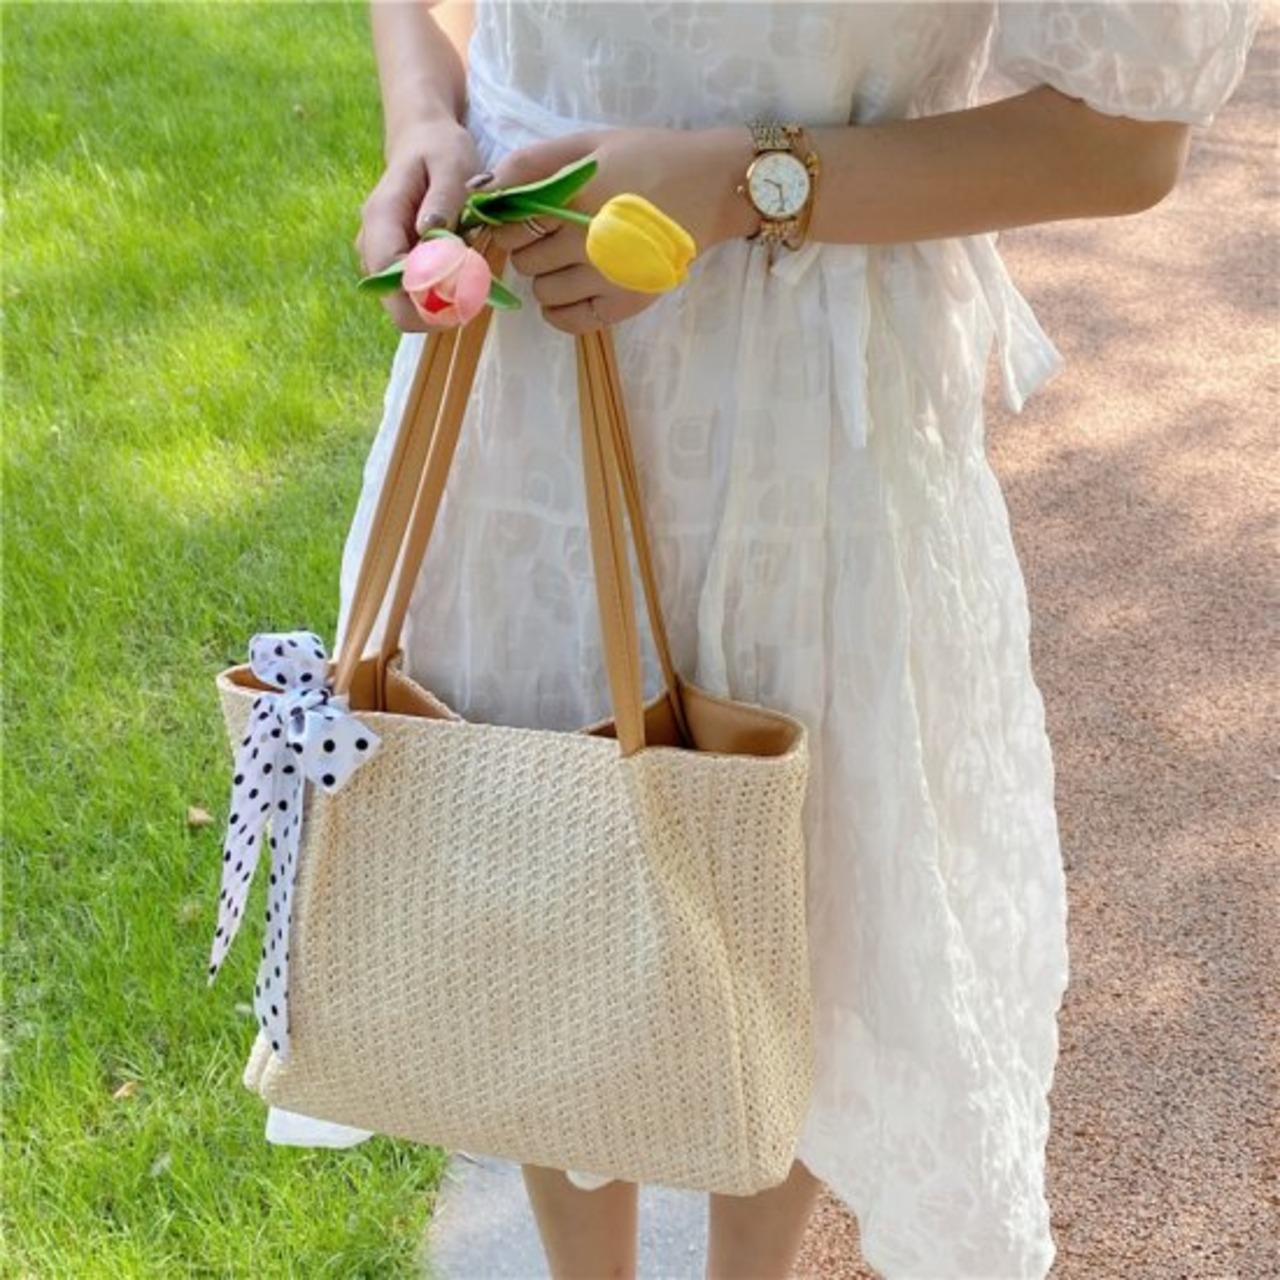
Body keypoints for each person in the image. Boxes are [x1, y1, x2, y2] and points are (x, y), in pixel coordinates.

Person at [268, 3, 1259, 1277]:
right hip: (523, 365)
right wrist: (423, 117)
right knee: (530, 849)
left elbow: (1125, 141)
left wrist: (742, 185)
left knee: (786, 891)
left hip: (797, 397)